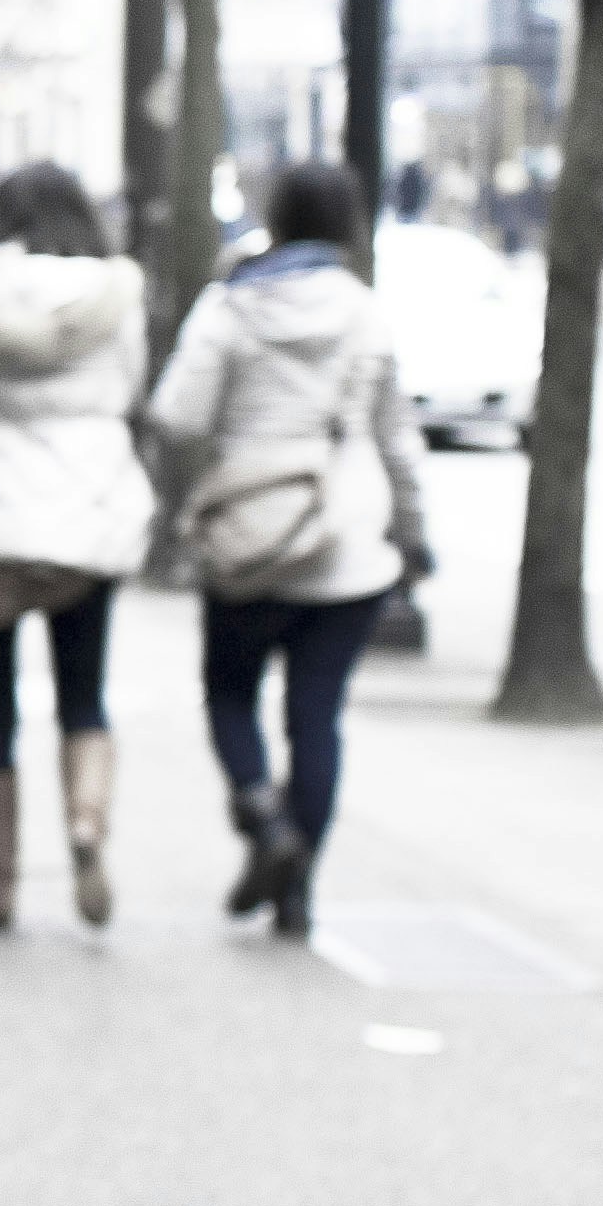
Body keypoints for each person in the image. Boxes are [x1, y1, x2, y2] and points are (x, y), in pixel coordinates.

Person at [140, 158, 431, 944]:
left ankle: (264, 822)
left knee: (231, 694)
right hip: (345, 540)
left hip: (248, 536)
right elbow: (397, 439)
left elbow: (176, 414)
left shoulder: (232, 306)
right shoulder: (364, 313)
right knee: (317, 717)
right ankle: (297, 889)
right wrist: (414, 532)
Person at [0, 163, 153, 931]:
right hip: (86, 506)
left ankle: (0, 885)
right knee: (83, 694)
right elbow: (132, 387)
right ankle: (86, 826)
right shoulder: (114, 297)